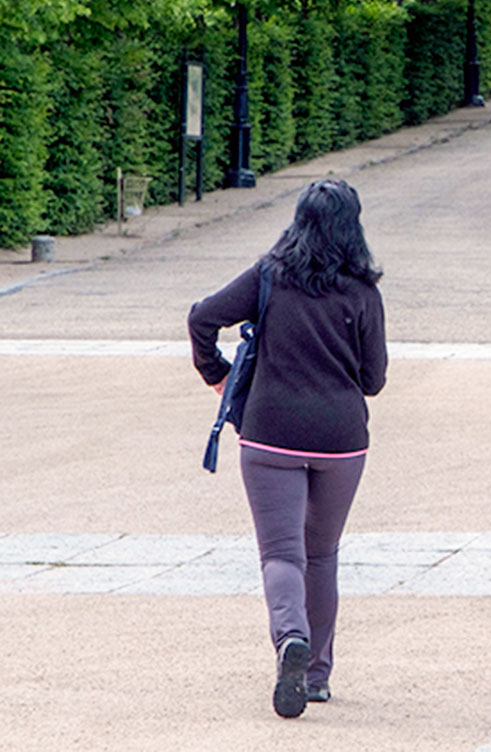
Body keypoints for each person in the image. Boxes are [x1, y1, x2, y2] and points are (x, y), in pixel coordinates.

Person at [188, 179, 388, 720]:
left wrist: (219, 376)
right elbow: (373, 380)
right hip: (341, 441)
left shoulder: (270, 276)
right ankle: (317, 675)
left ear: (298, 220)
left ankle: (289, 640)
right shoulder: (363, 291)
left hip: (270, 431)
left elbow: (203, 318)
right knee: (321, 555)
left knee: (281, 554)